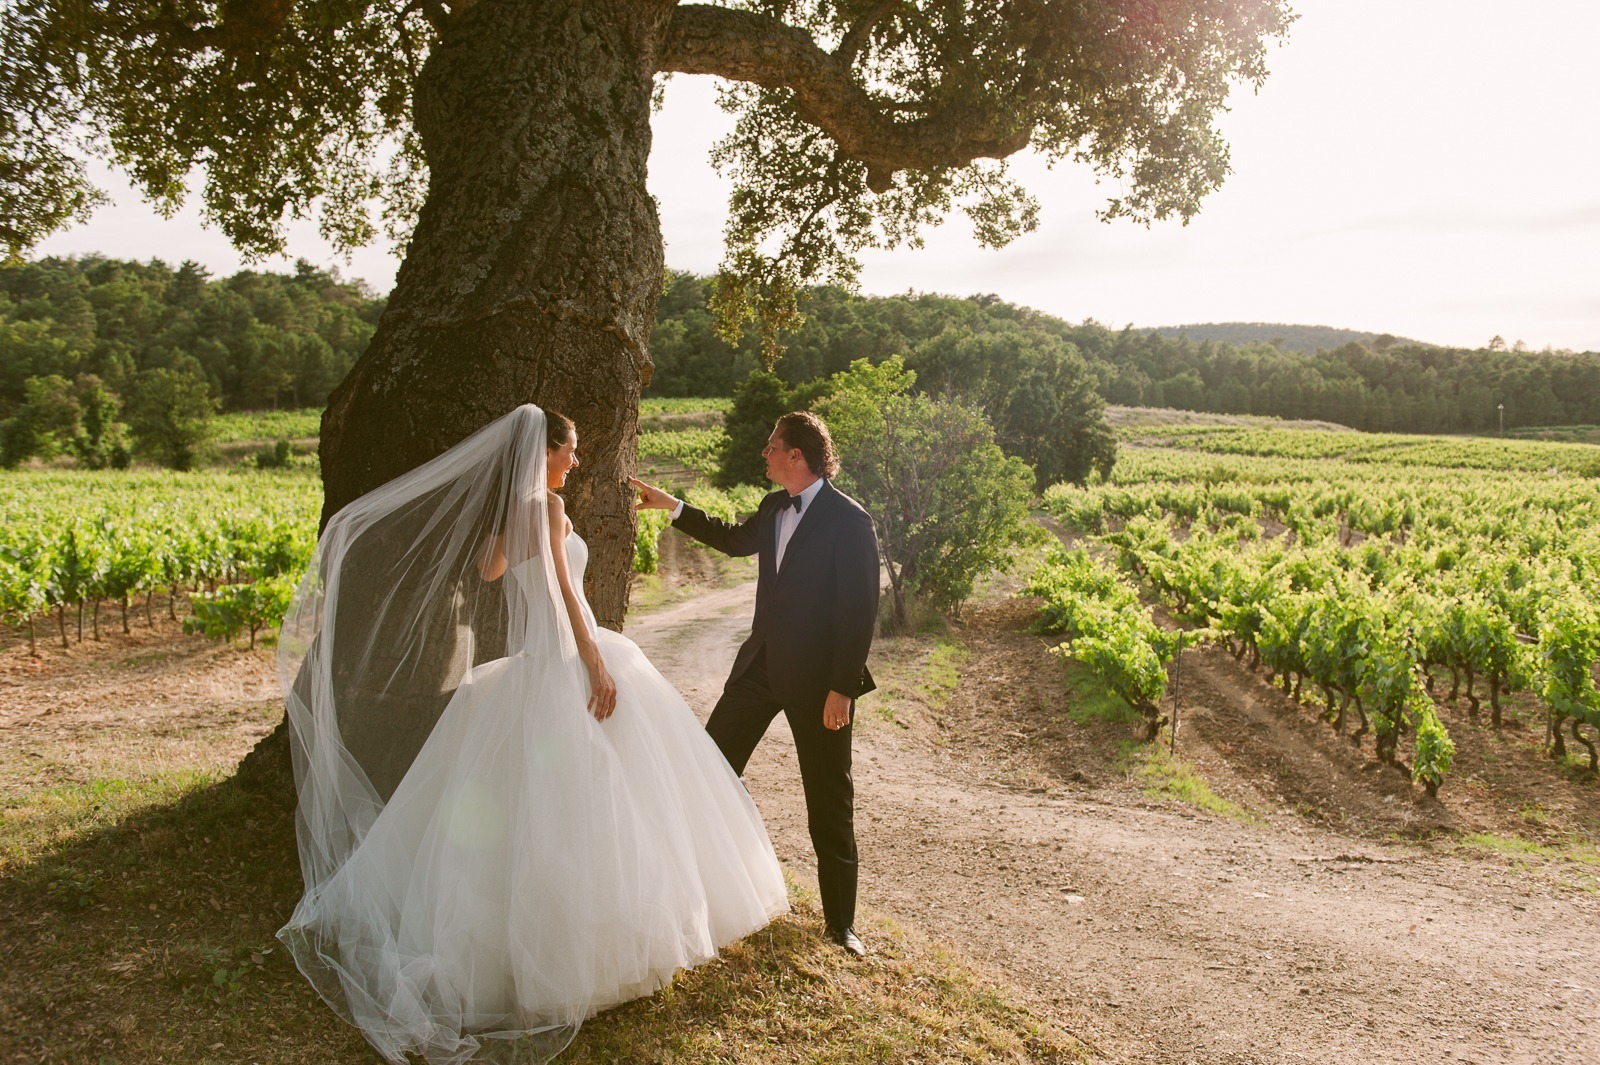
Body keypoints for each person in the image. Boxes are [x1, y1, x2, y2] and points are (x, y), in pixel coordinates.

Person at [276, 404, 788, 1065]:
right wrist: (595, 660)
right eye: (569, 450)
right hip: (560, 656)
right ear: (545, 452)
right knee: (586, 798)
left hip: (524, 662)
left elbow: (492, 569)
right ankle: (586, 952)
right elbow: (564, 596)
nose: (575, 461)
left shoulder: (513, 514)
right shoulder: (545, 507)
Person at [630, 411, 879, 957]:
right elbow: (734, 541)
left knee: (829, 802)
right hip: (758, 670)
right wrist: (671, 506)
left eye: (771, 446)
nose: (763, 454)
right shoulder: (772, 507)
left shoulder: (850, 520)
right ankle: (694, 893)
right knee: (709, 771)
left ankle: (841, 925)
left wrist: (842, 688)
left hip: (820, 686)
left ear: (796, 455)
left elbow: (860, 611)